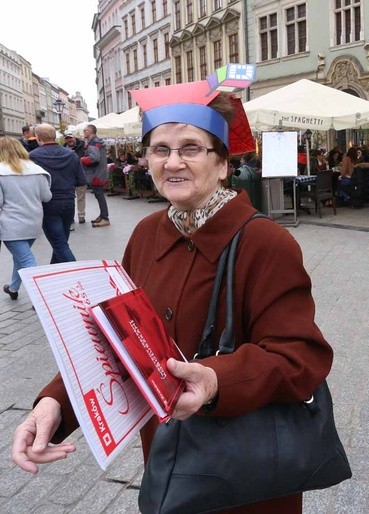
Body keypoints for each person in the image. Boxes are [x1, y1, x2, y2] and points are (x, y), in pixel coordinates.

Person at [12, 77, 333, 514]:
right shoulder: (146, 234)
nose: (173, 162)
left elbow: (301, 357)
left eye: (190, 148)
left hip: (249, 476)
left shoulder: (266, 242)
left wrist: (217, 380)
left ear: (222, 163)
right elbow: (111, 337)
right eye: (161, 149)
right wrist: (54, 404)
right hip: (170, 464)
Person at [0, 137, 52, 300]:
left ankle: (40, 297)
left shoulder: (1, 172)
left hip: (11, 224)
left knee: (27, 260)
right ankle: (14, 288)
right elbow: (47, 197)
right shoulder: (36, 169)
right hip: (34, 221)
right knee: (20, 257)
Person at [29, 124, 87, 264]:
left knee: (59, 244)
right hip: (68, 202)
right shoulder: (71, 155)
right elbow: (81, 180)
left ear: (38, 138)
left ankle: (79, 273)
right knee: (61, 242)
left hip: (47, 204)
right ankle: (54, 271)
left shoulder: (33, 156)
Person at [81, 124, 110, 227]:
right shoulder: (95, 142)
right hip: (98, 172)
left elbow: (94, 158)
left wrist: (81, 160)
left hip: (97, 174)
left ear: (90, 131)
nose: (83, 132)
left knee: (100, 195)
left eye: (85, 130)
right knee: (99, 195)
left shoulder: (94, 142)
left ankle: (105, 218)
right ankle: (102, 215)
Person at [63, 132, 87, 224]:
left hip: (80, 175)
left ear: (74, 138)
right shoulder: (63, 149)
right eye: (67, 138)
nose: (69, 140)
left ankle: (81, 216)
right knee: (70, 198)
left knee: (81, 197)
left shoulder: (82, 146)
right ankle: (71, 217)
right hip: (68, 178)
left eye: (71, 138)